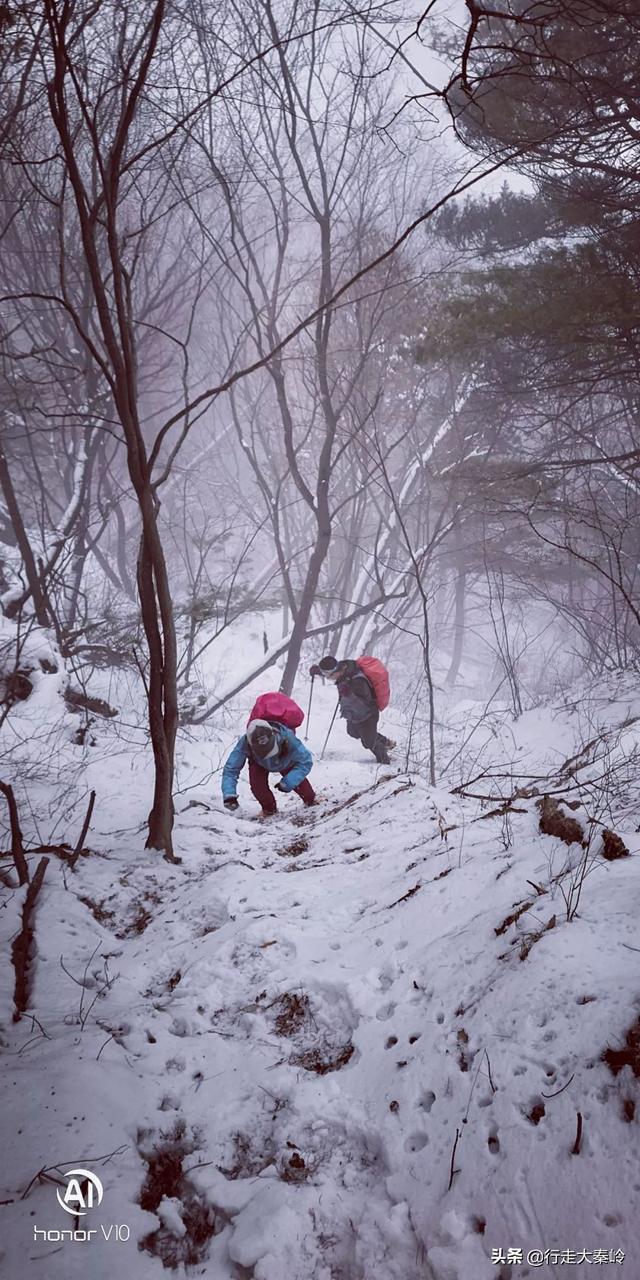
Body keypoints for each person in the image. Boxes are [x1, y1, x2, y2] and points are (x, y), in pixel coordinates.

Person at [309, 655, 395, 764]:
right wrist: (318, 670)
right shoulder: (342, 670)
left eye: (329, 676)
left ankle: (384, 761)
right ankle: (384, 741)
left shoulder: (358, 682)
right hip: (353, 712)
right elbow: (330, 671)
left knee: (368, 742)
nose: (329, 679)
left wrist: (349, 694)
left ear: (336, 672)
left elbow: (363, 705)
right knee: (352, 732)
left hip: (368, 714)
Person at [222, 718, 315, 817]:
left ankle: (311, 800)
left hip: (284, 761)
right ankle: (269, 810)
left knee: (299, 783)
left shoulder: (288, 738)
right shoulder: (245, 743)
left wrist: (288, 782)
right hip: (258, 763)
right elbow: (231, 769)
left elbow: (306, 761)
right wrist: (229, 795)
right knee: (258, 786)